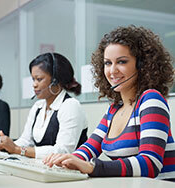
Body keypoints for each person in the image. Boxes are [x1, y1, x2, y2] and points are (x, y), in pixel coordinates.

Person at [44, 25, 175, 181]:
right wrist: (65, 161)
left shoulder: (151, 100)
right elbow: (89, 148)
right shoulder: (114, 109)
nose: (112, 71)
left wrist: (92, 167)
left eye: (121, 62)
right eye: (107, 63)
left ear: (142, 65)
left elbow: (150, 163)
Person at [0, 53, 88, 159]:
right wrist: (3, 145)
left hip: (71, 174)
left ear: (55, 80)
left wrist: (17, 150)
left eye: (39, 79)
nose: (34, 84)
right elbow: (26, 141)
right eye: (33, 79)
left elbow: (63, 151)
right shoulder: (38, 107)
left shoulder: (70, 106)